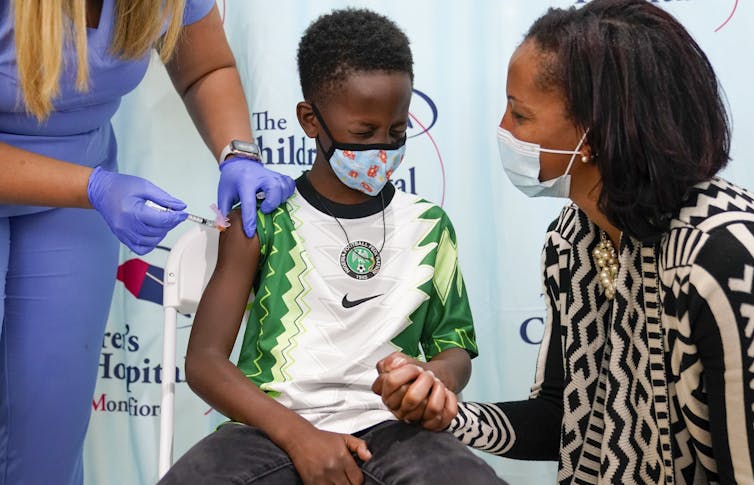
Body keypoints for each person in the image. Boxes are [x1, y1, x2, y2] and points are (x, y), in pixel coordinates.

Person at [373, 0, 754, 483]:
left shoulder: (722, 251)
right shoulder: (571, 242)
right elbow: (559, 418)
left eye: (520, 114)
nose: (503, 129)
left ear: (594, 133)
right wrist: (448, 413)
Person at [159, 8, 505, 485]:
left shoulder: (429, 226)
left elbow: (454, 350)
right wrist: (299, 436)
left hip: (392, 428)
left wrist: (432, 380)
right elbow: (204, 362)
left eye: (398, 132)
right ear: (310, 120)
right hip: (268, 429)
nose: (383, 148)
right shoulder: (262, 217)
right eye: (364, 133)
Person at [0, 1, 294, 483]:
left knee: (48, 430)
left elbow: (206, 66)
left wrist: (238, 153)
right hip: (77, 187)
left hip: (75, 196)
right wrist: (93, 188)